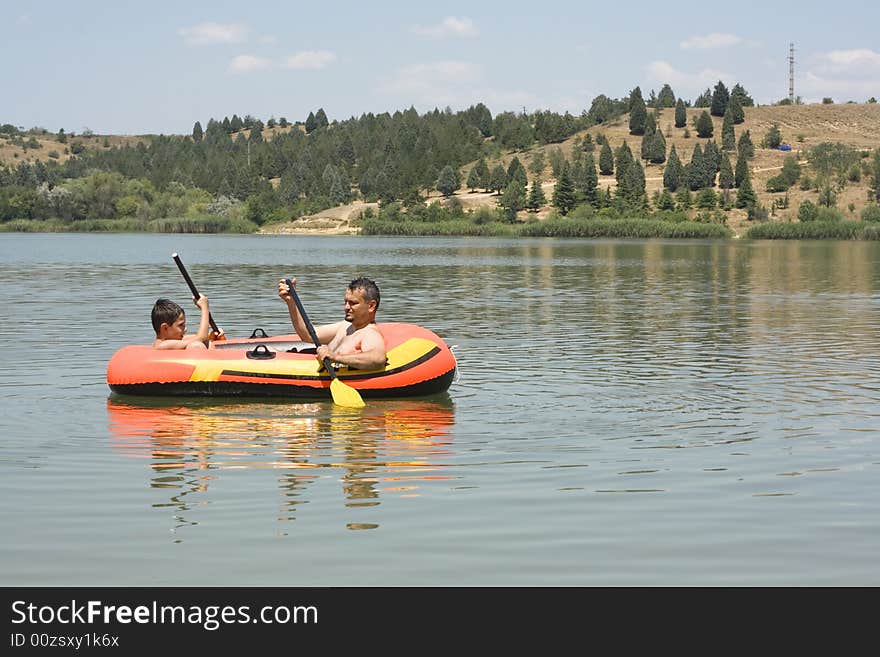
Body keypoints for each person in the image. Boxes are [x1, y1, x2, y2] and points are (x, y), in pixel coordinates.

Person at [277, 276, 387, 370]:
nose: (346, 307)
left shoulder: (369, 333)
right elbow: (308, 335)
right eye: (346, 302)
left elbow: (377, 358)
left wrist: (335, 357)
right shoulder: (345, 326)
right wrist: (291, 301)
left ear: (371, 306)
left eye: (353, 303)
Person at [151, 296, 222, 350]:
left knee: (207, 343)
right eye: (181, 325)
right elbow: (201, 337)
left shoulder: (172, 341)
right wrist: (204, 307)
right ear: (165, 328)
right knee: (196, 346)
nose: (185, 329)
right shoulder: (162, 345)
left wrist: (211, 336)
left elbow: (200, 337)